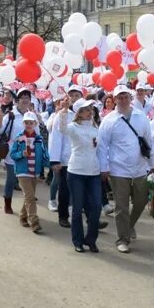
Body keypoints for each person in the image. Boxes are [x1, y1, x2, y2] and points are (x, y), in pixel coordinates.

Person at [97, 85, 154, 253]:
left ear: (130, 98)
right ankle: (123, 238)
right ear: (114, 100)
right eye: (119, 98)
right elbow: (102, 147)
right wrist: (104, 168)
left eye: (125, 97)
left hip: (139, 167)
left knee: (141, 200)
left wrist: (153, 164)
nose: (123, 100)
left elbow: (148, 141)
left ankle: (128, 225)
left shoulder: (141, 116)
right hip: (118, 169)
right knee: (121, 205)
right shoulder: (109, 120)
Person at [58, 98, 102, 252]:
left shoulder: (96, 127)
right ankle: (77, 240)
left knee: (96, 206)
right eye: (85, 109)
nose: (89, 112)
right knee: (77, 208)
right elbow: (61, 128)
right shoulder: (73, 127)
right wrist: (63, 111)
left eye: (90, 109)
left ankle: (91, 240)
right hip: (76, 171)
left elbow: (101, 149)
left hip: (94, 172)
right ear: (78, 112)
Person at [48, 85, 84, 228]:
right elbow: (56, 138)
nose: (74, 98)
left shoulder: (87, 115)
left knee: (82, 188)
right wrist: (55, 160)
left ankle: (85, 216)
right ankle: (63, 216)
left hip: (82, 159)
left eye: (77, 95)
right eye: (72, 95)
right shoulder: (62, 115)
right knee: (65, 189)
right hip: (65, 159)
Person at [10, 112, 49, 233]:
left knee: (28, 196)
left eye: (31, 122)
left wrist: (50, 164)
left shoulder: (39, 139)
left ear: (35, 124)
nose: (28, 125)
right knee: (31, 196)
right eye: (26, 122)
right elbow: (12, 154)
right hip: (23, 171)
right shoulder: (19, 137)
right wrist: (22, 154)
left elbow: (44, 154)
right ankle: (34, 221)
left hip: (35, 171)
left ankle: (23, 216)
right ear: (23, 123)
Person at [0, 88, 31, 213]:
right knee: (11, 180)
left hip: (27, 153)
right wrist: (0, 118)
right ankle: (7, 203)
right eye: (23, 98)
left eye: (27, 98)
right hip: (12, 153)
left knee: (27, 182)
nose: (25, 100)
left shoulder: (31, 115)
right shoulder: (11, 115)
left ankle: (26, 209)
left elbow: (36, 134)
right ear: (17, 100)